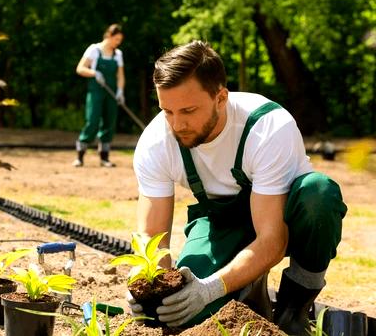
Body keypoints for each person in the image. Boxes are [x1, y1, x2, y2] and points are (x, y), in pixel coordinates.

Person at [128, 41, 346, 335]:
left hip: (284, 218)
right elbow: (153, 238)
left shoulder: (268, 127)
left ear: (221, 98)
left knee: (319, 194)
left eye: (188, 110)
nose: (177, 124)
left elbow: (272, 240)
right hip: (221, 225)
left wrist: (211, 288)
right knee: (185, 314)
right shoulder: (156, 141)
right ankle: (249, 292)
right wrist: (147, 282)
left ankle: (293, 309)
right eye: (167, 111)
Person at [73, 24, 126, 167]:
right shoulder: (94, 50)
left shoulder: (118, 54)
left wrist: (120, 91)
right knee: (93, 121)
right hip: (96, 92)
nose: (118, 42)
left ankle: (104, 158)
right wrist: (94, 73)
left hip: (111, 93)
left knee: (109, 123)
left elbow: (120, 76)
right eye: (116, 39)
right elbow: (80, 68)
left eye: (120, 40)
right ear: (108, 36)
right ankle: (80, 156)